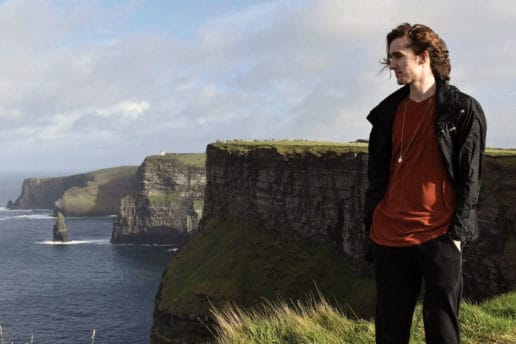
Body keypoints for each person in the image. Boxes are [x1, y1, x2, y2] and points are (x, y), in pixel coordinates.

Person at [363, 23, 486, 344]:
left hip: (439, 235)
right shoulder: (387, 113)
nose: (391, 65)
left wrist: (457, 235)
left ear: (423, 57)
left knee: (442, 332)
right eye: (389, 58)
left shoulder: (462, 109)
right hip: (389, 237)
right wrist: (372, 222)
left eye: (397, 56)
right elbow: (376, 176)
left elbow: (470, 177)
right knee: (390, 332)